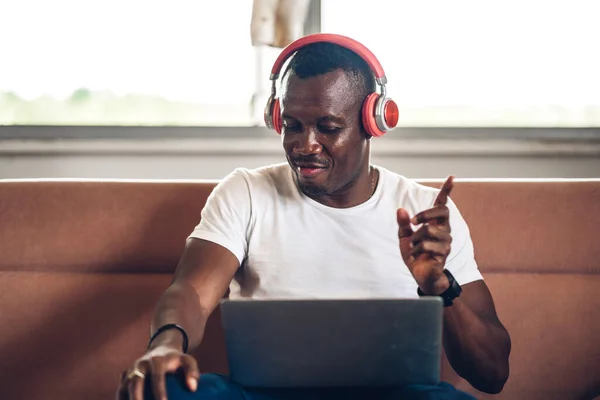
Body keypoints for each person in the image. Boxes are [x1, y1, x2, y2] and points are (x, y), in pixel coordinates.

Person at [116, 33, 511, 400]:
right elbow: (192, 293)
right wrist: (165, 346)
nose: (305, 145)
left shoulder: (428, 214)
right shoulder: (246, 192)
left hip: (390, 395)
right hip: (260, 395)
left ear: (372, 123)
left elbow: (492, 373)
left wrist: (438, 284)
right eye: (292, 125)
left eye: (328, 127)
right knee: (163, 389)